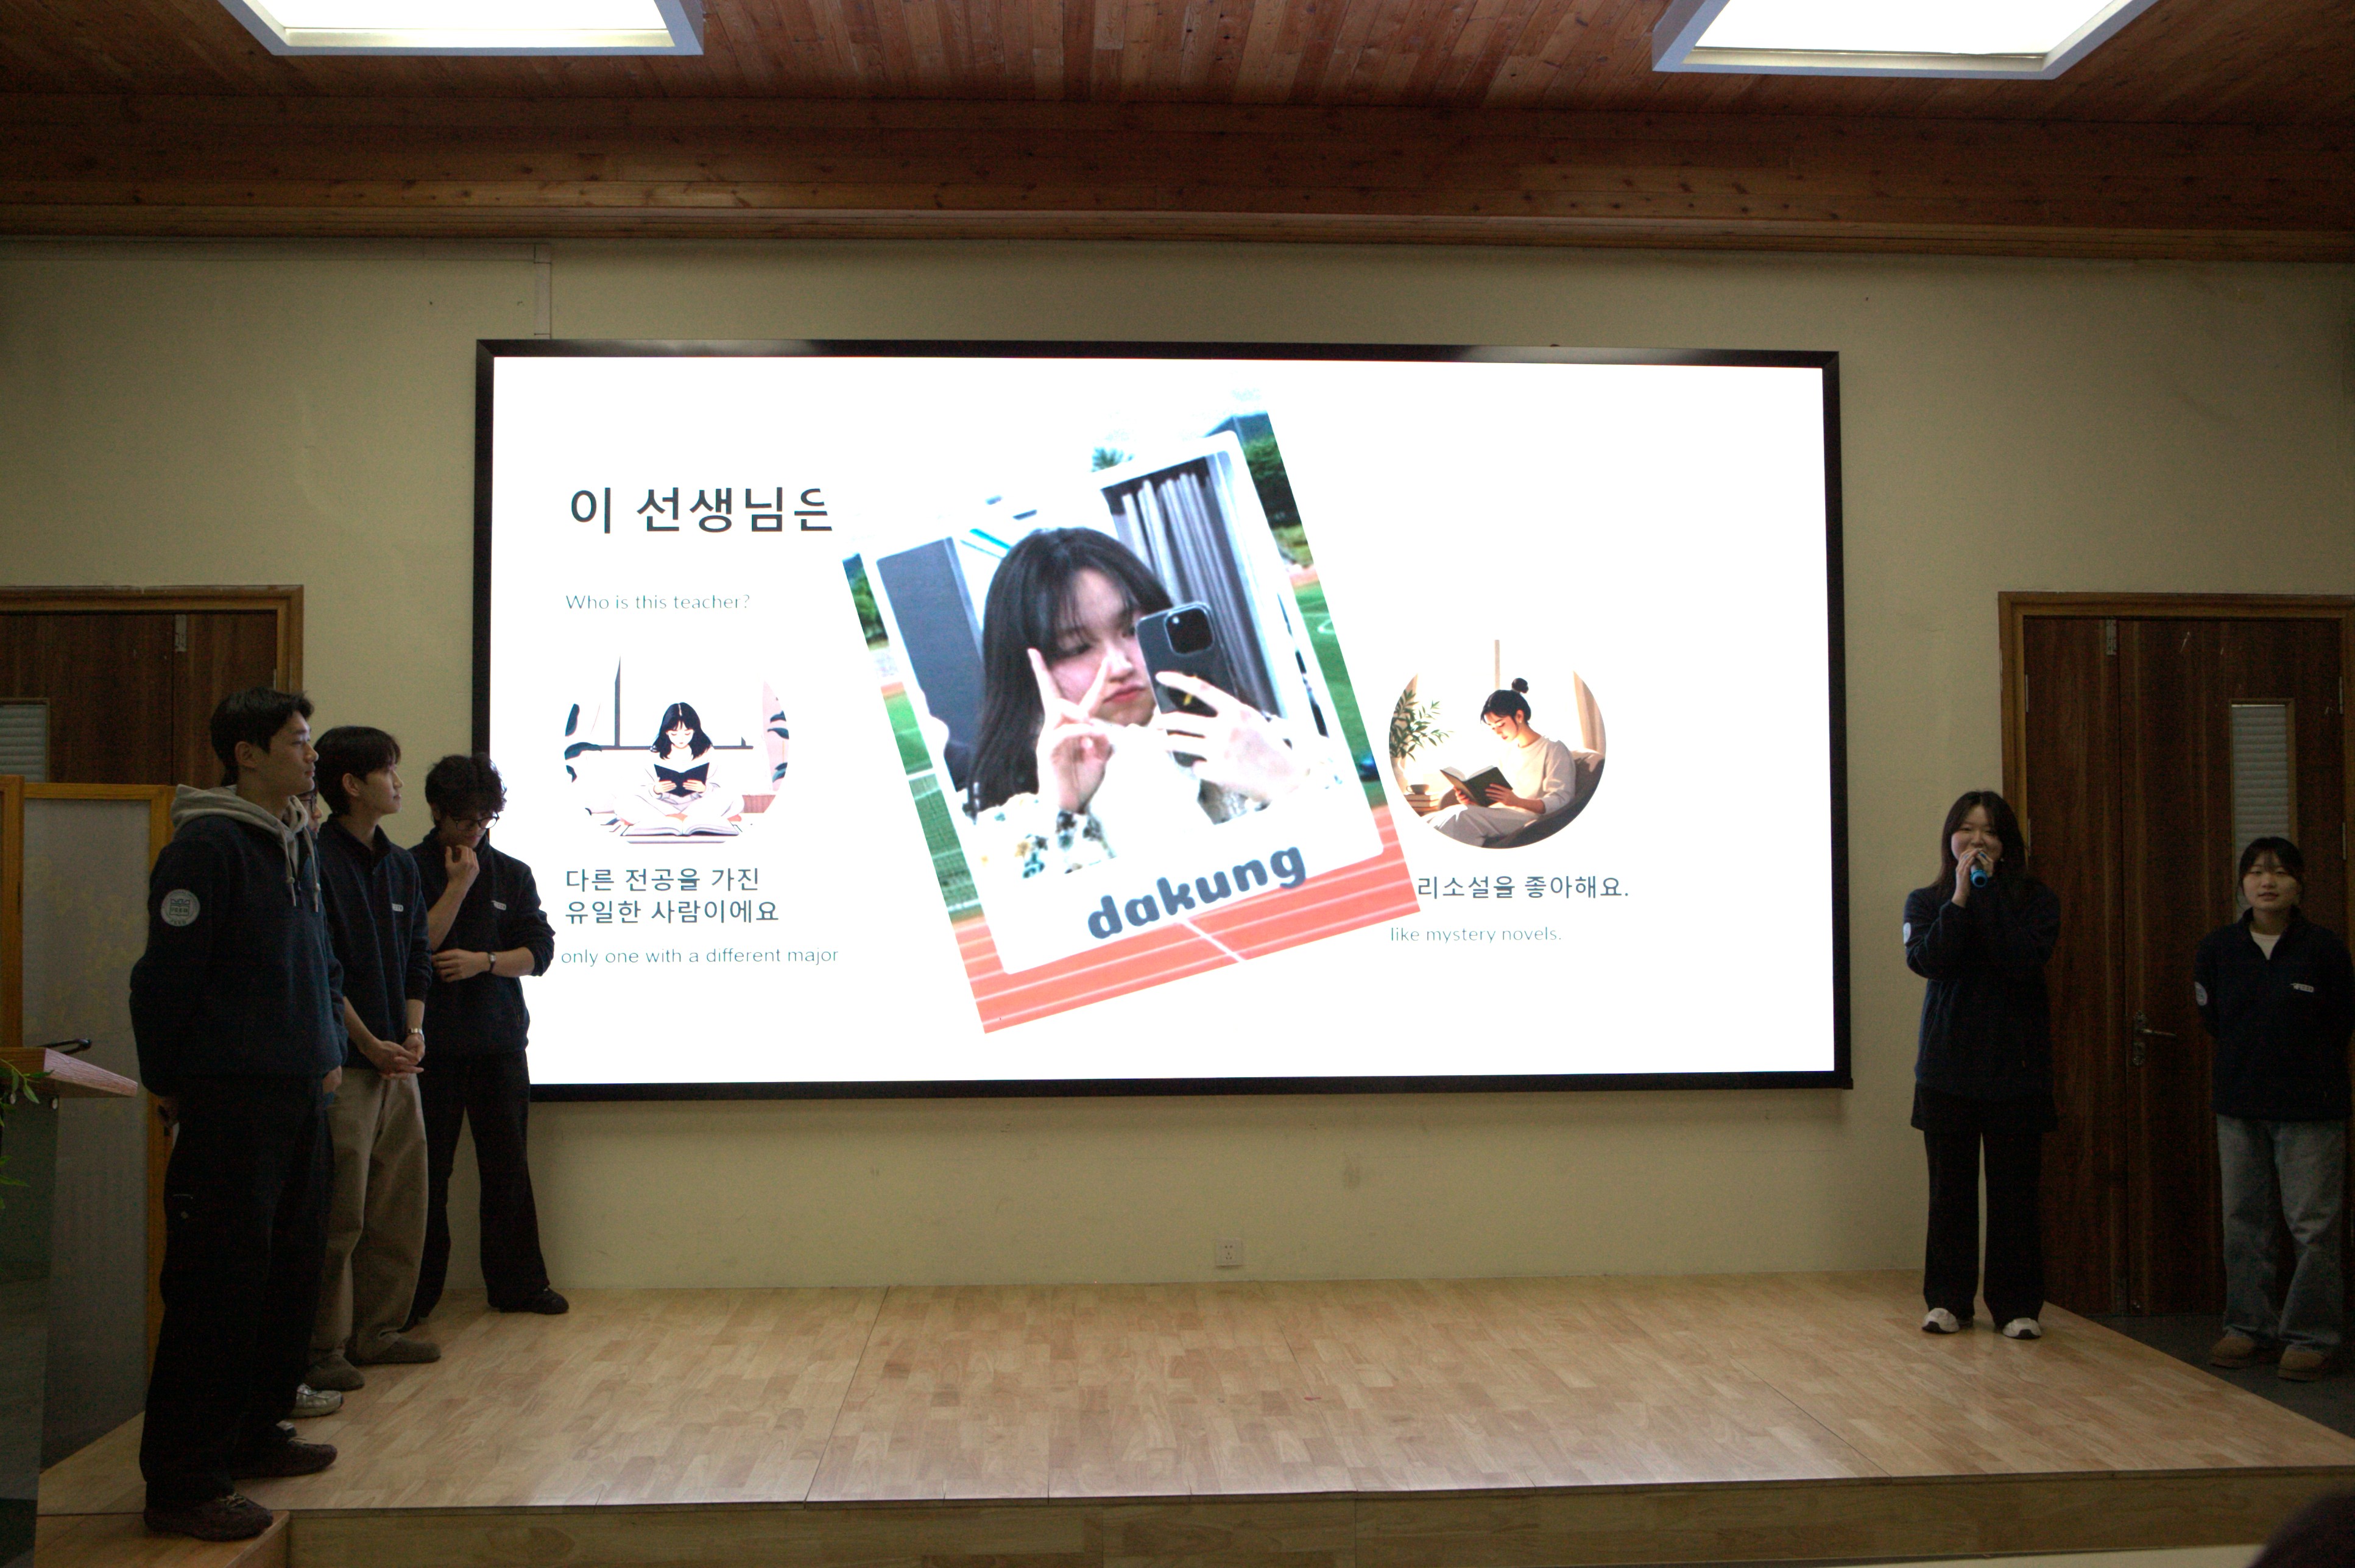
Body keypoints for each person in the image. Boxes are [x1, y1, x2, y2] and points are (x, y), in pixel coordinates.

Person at [129, 688, 345, 1541]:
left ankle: (255, 1432)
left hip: (299, 1092)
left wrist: (328, 1046)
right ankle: (185, 1480)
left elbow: (319, 961)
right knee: (217, 1286)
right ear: (247, 754)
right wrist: (168, 1080)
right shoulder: (207, 845)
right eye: (297, 740)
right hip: (232, 1097)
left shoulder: (297, 839)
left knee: (288, 1274)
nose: (311, 754)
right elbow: (164, 978)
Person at [961, 527, 1315, 877]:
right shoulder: (997, 818)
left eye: (1133, 631)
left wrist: (1288, 786)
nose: (1120, 665)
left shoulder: (1258, 738)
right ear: (1023, 669)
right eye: (1077, 649)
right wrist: (1058, 812)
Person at [306, 724, 439, 1396]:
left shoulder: (401, 865)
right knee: (342, 1216)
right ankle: (323, 1347)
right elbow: (322, 969)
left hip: (398, 1065)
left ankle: (379, 1331)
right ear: (352, 785)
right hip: (349, 1068)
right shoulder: (314, 860)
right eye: (388, 771)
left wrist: (413, 1032)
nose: (398, 782)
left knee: (398, 1208)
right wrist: (365, 1042)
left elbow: (418, 954)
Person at [408, 754, 566, 1321]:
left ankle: (519, 1286)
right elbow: (414, 945)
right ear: (437, 811)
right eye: (465, 820)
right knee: (428, 1176)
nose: (476, 830)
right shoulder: (407, 869)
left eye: (485, 819)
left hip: (499, 1045)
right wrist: (458, 886)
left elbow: (540, 953)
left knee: (508, 1171)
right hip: (430, 1051)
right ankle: (415, 1297)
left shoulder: (513, 873)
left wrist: (485, 961)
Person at [1902, 789, 2062, 1341]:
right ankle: (1948, 1302)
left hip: (2017, 1071)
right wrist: (1960, 899)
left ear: (2006, 843)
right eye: (1966, 830)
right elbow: (1929, 960)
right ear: (1950, 839)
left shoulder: (2037, 901)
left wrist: (1987, 896)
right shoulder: (1926, 902)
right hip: (1946, 1071)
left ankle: (2017, 1307)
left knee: (2015, 1195)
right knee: (1949, 1193)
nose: (1977, 840)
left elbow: (2020, 959)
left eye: (1989, 832)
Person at [2196, 836, 2355, 1382]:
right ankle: (2248, 1328)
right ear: (2242, 883)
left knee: (2313, 1226)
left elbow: (2341, 1022)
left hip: (2312, 1109)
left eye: (2281, 872)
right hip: (2240, 1105)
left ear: (2299, 884)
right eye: (2257, 872)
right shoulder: (2218, 949)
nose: (2268, 882)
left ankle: (2314, 1338)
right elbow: (2214, 1020)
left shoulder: (2325, 949)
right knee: (2245, 1222)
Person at [1427, 679, 1587, 846]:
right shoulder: (1508, 751)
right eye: (1492, 727)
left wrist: (1517, 802)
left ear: (1519, 716)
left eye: (1501, 724)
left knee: (1461, 817)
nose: (1497, 732)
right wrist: (1474, 802)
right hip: (1504, 813)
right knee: (1442, 815)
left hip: (1532, 819)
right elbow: (1500, 797)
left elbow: (1560, 800)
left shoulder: (1553, 748)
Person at [618, 700, 742, 833]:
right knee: (623, 802)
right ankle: (682, 819)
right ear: (666, 732)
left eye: (687, 733)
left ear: (695, 731)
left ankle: (673, 820)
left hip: (698, 806)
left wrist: (704, 789)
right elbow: (641, 788)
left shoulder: (707, 752)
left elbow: (719, 786)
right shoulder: (655, 753)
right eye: (674, 734)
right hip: (664, 807)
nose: (681, 739)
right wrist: (655, 790)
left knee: (734, 798)